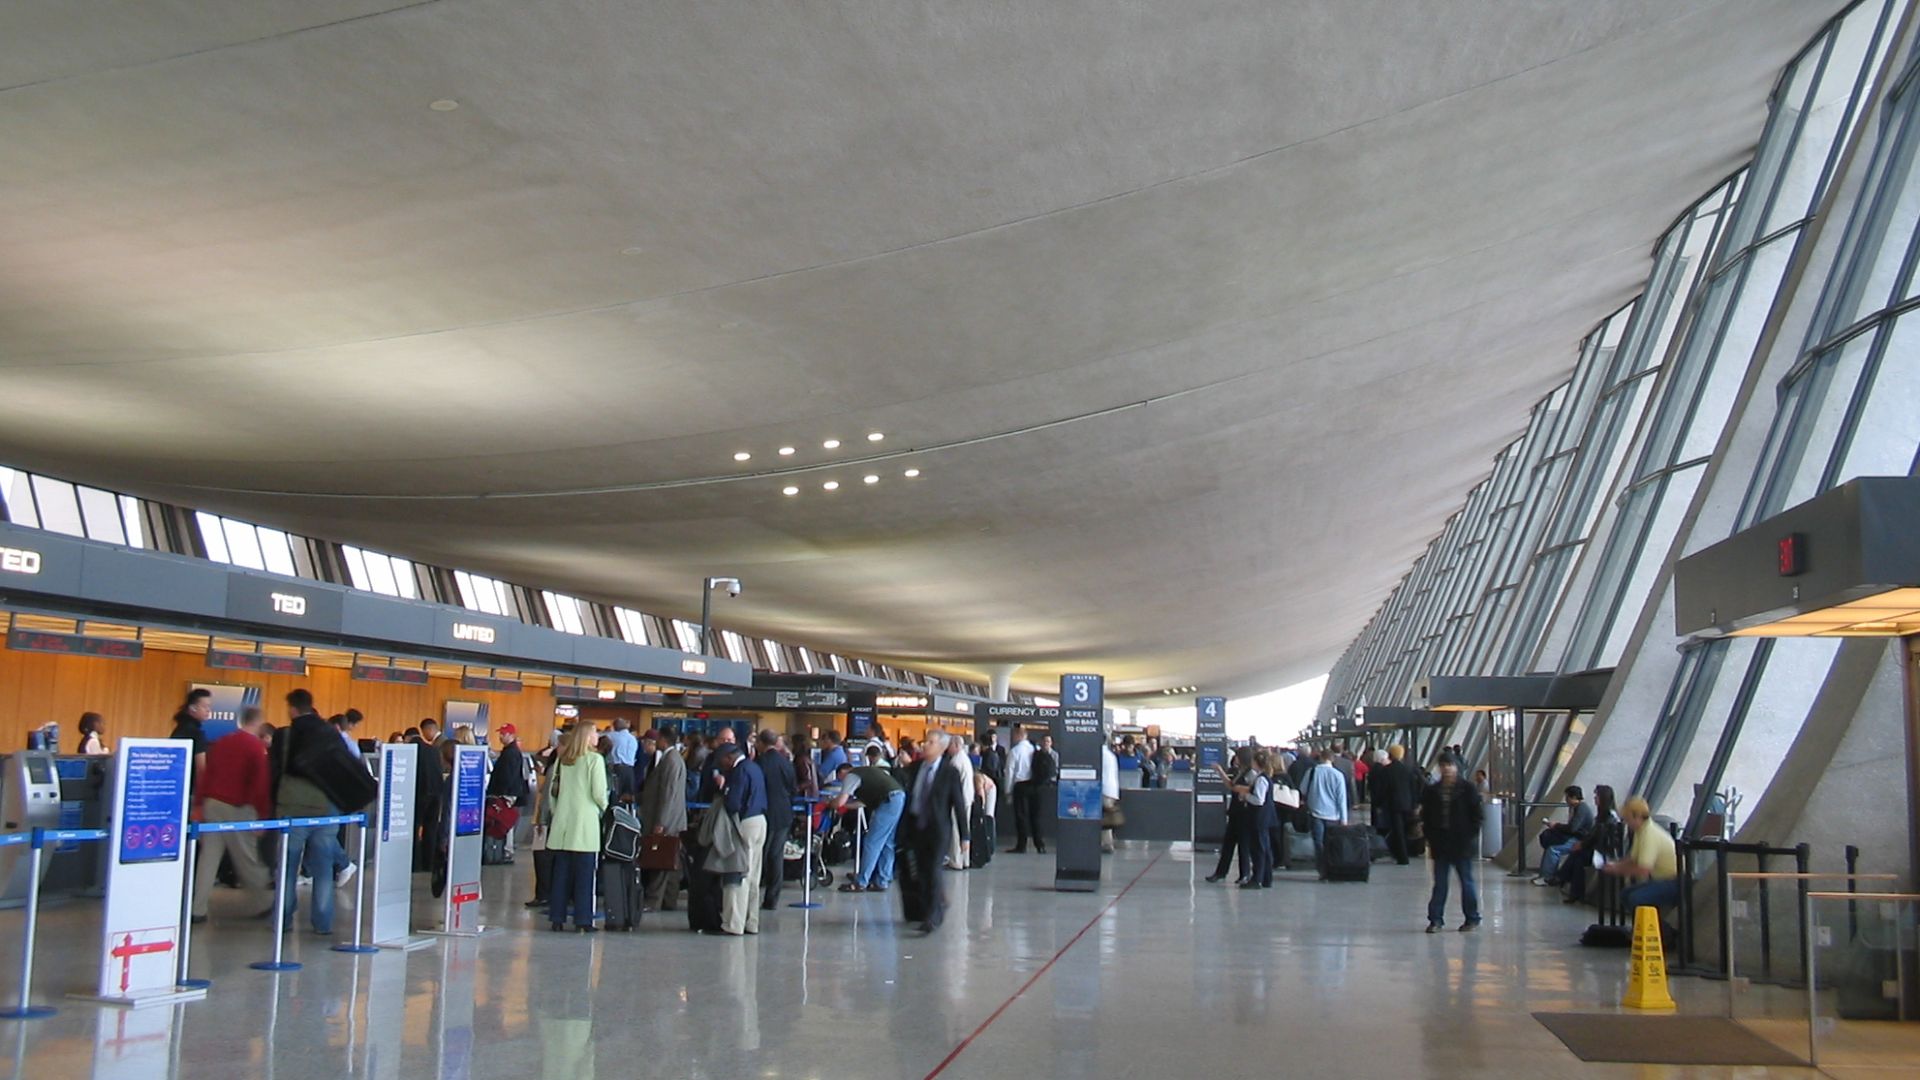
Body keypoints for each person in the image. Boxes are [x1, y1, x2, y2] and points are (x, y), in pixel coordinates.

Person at [273, 689, 359, 937]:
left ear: (292, 708)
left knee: (288, 866)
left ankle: (284, 918)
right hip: (327, 808)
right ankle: (322, 922)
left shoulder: (286, 736)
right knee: (323, 868)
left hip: (294, 808)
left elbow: (276, 771)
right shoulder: (332, 736)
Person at [191, 706, 274, 923]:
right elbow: (259, 785)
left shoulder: (221, 742)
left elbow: (206, 775)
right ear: (257, 723)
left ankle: (197, 909)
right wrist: (261, 817)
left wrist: (199, 805)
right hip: (238, 807)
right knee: (247, 858)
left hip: (212, 804)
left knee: (208, 858)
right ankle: (264, 902)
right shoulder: (255, 747)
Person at [899, 732, 969, 932]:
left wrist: (965, 835)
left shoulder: (949, 772)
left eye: (931, 742)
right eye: (924, 742)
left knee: (933, 870)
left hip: (937, 829)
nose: (925, 746)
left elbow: (959, 804)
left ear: (942, 747)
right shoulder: (915, 768)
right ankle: (932, 905)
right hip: (916, 826)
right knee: (921, 871)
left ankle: (934, 916)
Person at [546, 724, 609, 932]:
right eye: (595, 732)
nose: (598, 736)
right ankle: (583, 920)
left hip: (562, 825)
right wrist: (606, 809)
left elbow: (552, 792)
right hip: (584, 825)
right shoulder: (595, 760)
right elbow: (599, 793)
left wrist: (557, 812)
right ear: (587, 737)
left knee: (561, 874)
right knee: (585, 877)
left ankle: (557, 917)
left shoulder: (563, 761)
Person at [1419, 753, 1483, 933]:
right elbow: (1426, 816)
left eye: (1450, 765)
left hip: (1461, 843)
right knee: (1440, 883)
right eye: (1443, 765)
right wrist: (1431, 838)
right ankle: (1435, 920)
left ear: (1457, 767)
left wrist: (1469, 836)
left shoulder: (1467, 789)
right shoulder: (1432, 791)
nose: (1446, 768)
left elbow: (1477, 816)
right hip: (1441, 844)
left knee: (1466, 882)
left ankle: (1472, 917)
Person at [715, 742, 767, 936]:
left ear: (729, 757)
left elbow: (733, 803)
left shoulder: (739, 771)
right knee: (753, 876)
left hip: (744, 824)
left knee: (737, 874)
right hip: (760, 821)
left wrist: (723, 792)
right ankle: (751, 922)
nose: (722, 765)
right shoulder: (754, 767)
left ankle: (733, 924)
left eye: (722, 761)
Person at [833, 762, 905, 892]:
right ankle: (882, 880)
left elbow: (840, 801)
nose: (842, 783)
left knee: (872, 842)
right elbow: (860, 803)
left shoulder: (851, 775)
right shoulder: (866, 774)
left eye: (840, 779)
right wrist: (844, 806)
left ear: (843, 772)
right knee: (887, 843)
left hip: (888, 801)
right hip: (897, 797)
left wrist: (829, 803)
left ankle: (861, 882)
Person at [639, 726, 689, 912]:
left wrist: (661, 822)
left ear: (663, 740)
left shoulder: (670, 761)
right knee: (671, 861)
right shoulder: (671, 759)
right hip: (672, 819)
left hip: (668, 820)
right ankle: (669, 898)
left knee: (660, 860)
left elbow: (668, 793)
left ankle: (654, 900)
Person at [1605, 796, 1679, 919]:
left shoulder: (1649, 834)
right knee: (1625, 894)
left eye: (1628, 820)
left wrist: (1617, 869)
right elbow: (1633, 858)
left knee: (1636, 898)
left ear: (1637, 817)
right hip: (1664, 879)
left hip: (1673, 882)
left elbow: (1643, 869)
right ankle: (1641, 927)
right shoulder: (1642, 831)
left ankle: (1655, 929)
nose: (1627, 824)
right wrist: (1616, 864)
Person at [755, 730, 797, 911]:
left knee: (759, 855)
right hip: (783, 813)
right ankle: (772, 898)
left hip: (764, 813)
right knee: (776, 856)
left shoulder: (759, 763)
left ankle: (753, 894)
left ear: (761, 743)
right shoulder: (785, 762)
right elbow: (792, 787)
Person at [1556, 785, 1618, 903]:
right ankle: (1568, 885)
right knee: (1577, 856)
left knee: (1578, 857)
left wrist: (1583, 845)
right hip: (1597, 848)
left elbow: (1600, 836)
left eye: (1597, 796)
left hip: (1603, 851)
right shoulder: (1604, 815)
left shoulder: (1609, 817)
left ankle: (1563, 880)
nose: (1594, 799)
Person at [1206, 748, 1255, 883]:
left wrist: (1240, 791)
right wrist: (1220, 772)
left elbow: (1249, 788)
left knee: (1243, 845)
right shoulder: (1240, 772)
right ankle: (1221, 872)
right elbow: (1231, 785)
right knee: (1228, 844)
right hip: (1235, 811)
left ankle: (1245, 873)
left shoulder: (1251, 774)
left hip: (1244, 813)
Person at [1533, 786, 1595, 886]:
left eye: (1567, 797)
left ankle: (1547, 877)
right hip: (1576, 837)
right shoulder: (1576, 808)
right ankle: (1544, 875)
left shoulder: (1581, 809)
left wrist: (1556, 825)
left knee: (1553, 849)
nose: (1565, 800)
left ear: (1574, 797)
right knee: (1551, 846)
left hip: (1580, 840)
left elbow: (1572, 828)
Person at [1375, 744, 1423, 866]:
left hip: (1393, 804)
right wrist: (1415, 803)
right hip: (1408, 804)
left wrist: (1379, 803)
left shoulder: (1386, 770)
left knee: (1398, 830)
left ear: (1390, 755)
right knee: (1406, 829)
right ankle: (1407, 851)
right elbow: (1415, 788)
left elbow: (1383, 789)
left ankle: (1402, 856)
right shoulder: (1409, 769)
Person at [487, 724, 530, 860]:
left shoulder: (510, 753)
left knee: (505, 821)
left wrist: (500, 793)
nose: (500, 736)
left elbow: (507, 776)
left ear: (511, 735)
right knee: (506, 820)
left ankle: (506, 849)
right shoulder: (511, 751)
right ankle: (506, 849)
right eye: (500, 733)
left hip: (507, 793)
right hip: (510, 792)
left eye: (503, 734)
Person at [1304, 750, 1349, 876]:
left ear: (1320, 758)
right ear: (1333, 759)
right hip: (1333, 815)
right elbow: (1341, 799)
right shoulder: (1338, 775)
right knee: (1331, 843)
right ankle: (1332, 867)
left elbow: (1302, 790)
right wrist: (1344, 819)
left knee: (1318, 843)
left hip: (1315, 813)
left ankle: (1321, 869)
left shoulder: (1311, 772)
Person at [1005, 724, 1038, 853]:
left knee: (1021, 816)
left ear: (1019, 735)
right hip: (1032, 784)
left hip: (1020, 785)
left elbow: (1010, 771)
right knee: (1032, 815)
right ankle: (1037, 843)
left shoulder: (1015, 751)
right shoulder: (1033, 749)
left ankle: (1021, 844)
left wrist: (1008, 790)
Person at [171, 689, 213, 781]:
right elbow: (201, 769)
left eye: (209, 706)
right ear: (193, 708)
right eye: (205, 706)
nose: (208, 710)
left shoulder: (179, 729)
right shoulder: (196, 733)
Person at [605, 718, 639, 803]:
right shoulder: (633, 739)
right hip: (630, 770)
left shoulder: (611, 736)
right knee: (628, 797)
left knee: (615, 796)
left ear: (615, 727)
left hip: (617, 769)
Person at [1099, 738, 1121, 854]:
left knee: (1106, 818)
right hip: (1111, 790)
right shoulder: (1110, 755)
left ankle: (1107, 844)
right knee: (1108, 817)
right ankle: (1107, 842)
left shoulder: (1100, 754)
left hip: (1104, 790)